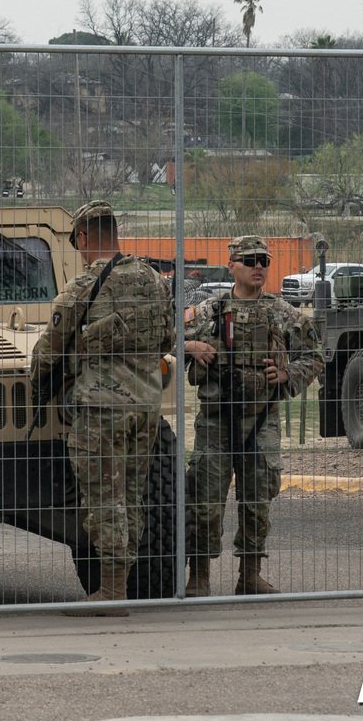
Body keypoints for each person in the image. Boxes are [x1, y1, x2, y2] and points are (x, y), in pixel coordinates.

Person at [29, 201, 175, 616]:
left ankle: (111, 592)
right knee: (131, 497)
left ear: (85, 237)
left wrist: (39, 382)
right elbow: (166, 337)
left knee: (104, 500)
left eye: (77, 242)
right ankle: (122, 586)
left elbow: (47, 352)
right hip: (145, 408)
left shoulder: (82, 288)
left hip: (100, 412)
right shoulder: (153, 279)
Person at [182, 235, 322, 596]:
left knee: (258, 499)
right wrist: (191, 346)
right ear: (232, 265)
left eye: (265, 260)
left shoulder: (282, 313)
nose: (259, 266)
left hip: (261, 422)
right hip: (216, 423)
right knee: (205, 501)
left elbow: (315, 355)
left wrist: (287, 375)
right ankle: (199, 576)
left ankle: (250, 573)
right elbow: (164, 340)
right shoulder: (208, 312)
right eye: (250, 259)